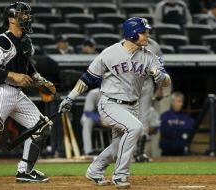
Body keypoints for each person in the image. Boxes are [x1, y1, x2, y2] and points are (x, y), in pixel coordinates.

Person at [58, 17, 171, 188]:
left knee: (119, 145)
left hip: (133, 105)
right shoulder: (109, 53)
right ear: (132, 33)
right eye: (143, 32)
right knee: (136, 128)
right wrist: (70, 98)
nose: (147, 35)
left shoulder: (149, 56)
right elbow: (87, 79)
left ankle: (95, 169)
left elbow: (166, 80)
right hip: (110, 103)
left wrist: (161, 77)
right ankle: (121, 175)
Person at [0, 2, 54, 182]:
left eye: (27, 14)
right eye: (22, 14)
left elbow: (27, 66)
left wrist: (41, 81)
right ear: (11, 19)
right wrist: (12, 75)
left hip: (16, 94)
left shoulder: (25, 40)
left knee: (42, 127)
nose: (27, 17)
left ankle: (25, 171)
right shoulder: (1, 41)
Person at [81, 88, 101, 155]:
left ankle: (131, 152)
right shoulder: (94, 93)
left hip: (109, 118)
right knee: (87, 122)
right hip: (94, 117)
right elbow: (88, 112)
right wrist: (101, 119)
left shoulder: (116, 93)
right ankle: (88, 151)